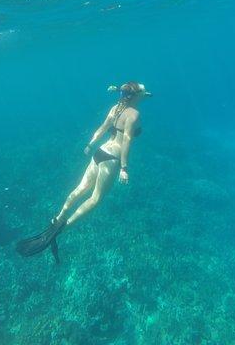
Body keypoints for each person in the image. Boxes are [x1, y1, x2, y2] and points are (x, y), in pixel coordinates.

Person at [16, 81, 152, 262]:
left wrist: (90, 144)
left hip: (101, 151)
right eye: (143, 91)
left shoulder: (116, 108)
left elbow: (102, 128)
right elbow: (127, 140)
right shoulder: (134, 114)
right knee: (95, 199)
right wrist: (124, 168)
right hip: (113, 158)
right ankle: (61, 230)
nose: (146, 93)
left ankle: (58, 218)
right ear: (135, 95)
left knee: (81, 188)